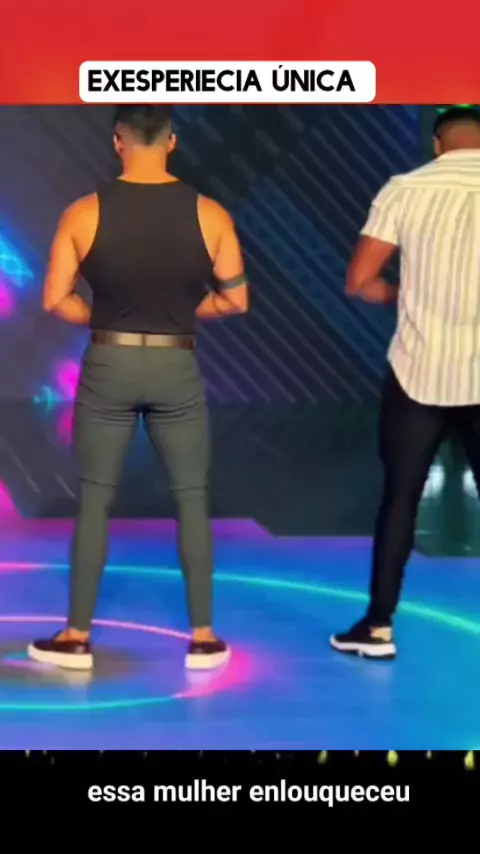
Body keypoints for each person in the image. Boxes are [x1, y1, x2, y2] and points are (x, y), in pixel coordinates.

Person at [27, 105, 249, 671]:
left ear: (117, 143)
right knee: (192, 497)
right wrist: (178, 314)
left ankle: (76, 638)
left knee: (95, 499)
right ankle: (204, 638)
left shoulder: (83, 212)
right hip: (176, 364)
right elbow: (235, 299)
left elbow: (55, 299)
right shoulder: (211, 214)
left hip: (110, 362)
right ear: (171, 142)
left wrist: (104, 319)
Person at [330, 106, 480, 659]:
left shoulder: (406, 188)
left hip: (418, 370)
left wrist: (404, 295)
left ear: (438, 144)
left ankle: (377, 628)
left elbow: (359, 280)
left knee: (400, 499)